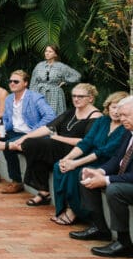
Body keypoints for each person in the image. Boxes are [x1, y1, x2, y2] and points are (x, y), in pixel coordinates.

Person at [11, 83, 101, 206]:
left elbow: (85, 142)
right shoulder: (71, 112)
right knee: (32, 145)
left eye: (80, 96)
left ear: (90, 98)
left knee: (35, 147)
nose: (76, 99)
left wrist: (58, 138)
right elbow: (48, 128)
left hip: (77, 151)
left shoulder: (96, 117)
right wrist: (25, 137)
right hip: (59, 146)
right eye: (74, 96)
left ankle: (43, 193)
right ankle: (43, 192)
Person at [70, 95, 133, 257]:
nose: (122, 118)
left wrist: (105, 180)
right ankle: (100, 228)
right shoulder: (129, 132)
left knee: (114, 189)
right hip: (125, 178)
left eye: (127, 115)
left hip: (127, 182)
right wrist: (99, 172)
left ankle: (124, 242)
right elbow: (116, 160)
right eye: (121, 114)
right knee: (85, 175)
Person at [52, 92, 128, 226]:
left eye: (119, 109)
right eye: (114, 107)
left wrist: (75, 164)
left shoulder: (125, 128)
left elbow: (104, 151)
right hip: (91, 157)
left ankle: (76, 211)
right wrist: (67, 159)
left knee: (76, 172)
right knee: (59, 166)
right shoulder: (102, 121)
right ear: (108, 106)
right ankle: (62, 208)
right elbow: (86, 142)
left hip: (107, 163)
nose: (116, 112)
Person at [0, 69, 56, 190]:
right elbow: (7, 120)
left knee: (7, 145)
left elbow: (50, 115)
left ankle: (16, 181)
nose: (12, 83)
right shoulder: (9, 99)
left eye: (16, 81)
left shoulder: (35, 98)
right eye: (10, 81)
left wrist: (34, 131)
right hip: (13, 131)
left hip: (30, 134)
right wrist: (0, 130)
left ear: (25, 83)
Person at [29, 44, 81, 116]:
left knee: (54, 118)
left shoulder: (61, 67)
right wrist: (32, 97)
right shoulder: (39, 66)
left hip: (55, 95)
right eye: (46, 51)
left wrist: (65, 82)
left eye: (50, 51)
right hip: (40, 94)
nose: (47, 53)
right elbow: (33, 83)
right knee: (39, 116)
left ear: (55, 54)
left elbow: (77, 76)